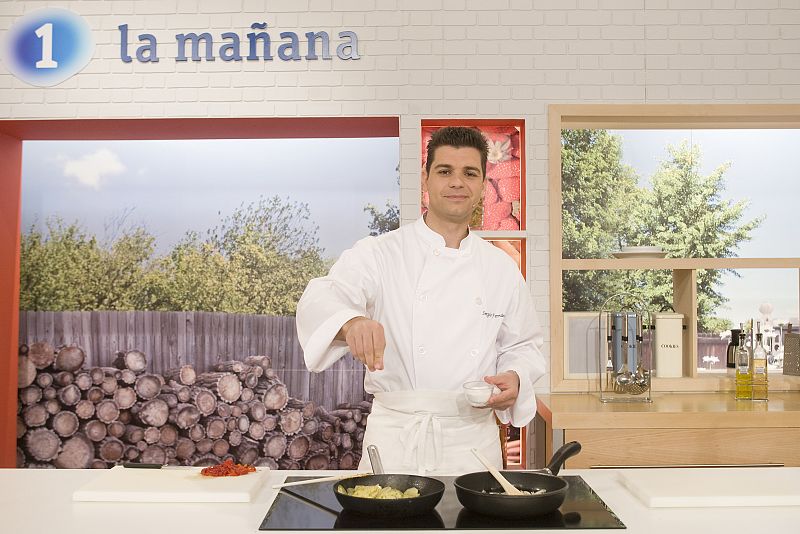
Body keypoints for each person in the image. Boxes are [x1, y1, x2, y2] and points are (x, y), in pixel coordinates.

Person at [296, 126, 545, 475]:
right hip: (397, 440)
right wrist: (351, 323)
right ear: (426, 179)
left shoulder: (501, 268)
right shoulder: (381, 253)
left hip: (472, 445)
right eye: (445, 171)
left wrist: (516, 377)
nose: (457, 182)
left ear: (483, 183)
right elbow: (322, 296)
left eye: (469, 173)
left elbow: (525, 345)